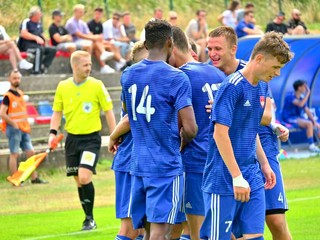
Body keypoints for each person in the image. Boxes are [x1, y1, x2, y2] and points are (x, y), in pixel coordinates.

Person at [201, 31, 293, 239]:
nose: (277, 74)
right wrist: (236, 176)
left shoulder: (261, 86)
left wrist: (264, 164)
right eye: (276, 67)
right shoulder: (231, 87)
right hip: (223, 177)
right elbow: (220, 134)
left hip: (251, 173)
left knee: (254, 236)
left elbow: (252, 130)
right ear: (259, 58)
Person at [115, 19, 198, 239]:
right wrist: (182, 142)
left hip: (138, 164)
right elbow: (190, 128)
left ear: (147, 43)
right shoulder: (176, 77)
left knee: (145, 230)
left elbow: (128, 114)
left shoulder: (128, 75)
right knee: (161, 231)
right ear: (170, 43)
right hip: (165, 166)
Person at [48, 50, 116, 230]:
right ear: (75, 66)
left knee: (85, 176)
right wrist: (52, 134)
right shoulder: (63, 86)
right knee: (78, 181)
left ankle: (90, 218)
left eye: (90, 65)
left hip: (91, 139)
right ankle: (88, 218)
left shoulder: (97, 85)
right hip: (72, 139)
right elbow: (57, 112)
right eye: (86, 65)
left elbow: (109, 111)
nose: (89, 68)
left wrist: (114, 136)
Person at [169, 26, 225, 240]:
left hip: (195, 164)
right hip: (219, 160)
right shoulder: (215, 72)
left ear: (171, 48)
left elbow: (181, 127)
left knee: (198, 234)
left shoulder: (180, 78)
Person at [108, 41, 148, 240]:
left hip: (137, 159)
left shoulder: (138, 80)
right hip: (130, 159)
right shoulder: (136, 80)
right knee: (131, 226)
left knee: (141, 227)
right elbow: (130, 118)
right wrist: (113, 136)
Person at [0, 70, 47, 184]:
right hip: (14, 128)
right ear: (10, 80)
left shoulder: (20, 94)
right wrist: (13, 123)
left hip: (23, 128)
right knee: (14, 153)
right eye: (14, 78)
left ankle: (34, 177)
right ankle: (15, 178)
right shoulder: (8, 96)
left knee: (30, 152)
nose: (17, 80)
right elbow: (2, 113)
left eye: (18, 78)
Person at [65, 4, 115, 74]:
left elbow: (88, 33)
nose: (82, 13)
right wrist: (94, 38)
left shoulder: (82, 23)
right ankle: (96, 61)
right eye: (80, 12)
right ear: (75, 12)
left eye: (82, 12)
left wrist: (95, 37)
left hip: (83, 41)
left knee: (97, 43)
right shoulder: (71, 22)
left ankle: (103, 65)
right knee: (91, 43)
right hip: (75, 41)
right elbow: (80, 35)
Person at [282, 80, 320, 153]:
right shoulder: (289, 96)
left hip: (298, 118)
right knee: (309, 124)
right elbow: (300, 104)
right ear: (299, 88)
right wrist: (308, 93)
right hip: (289, 118)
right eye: (305, 86)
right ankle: (311, 146)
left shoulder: (302, 98)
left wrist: (314, 122)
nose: (306, 88)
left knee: (317, 125)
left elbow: (307, 111)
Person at [17, 6, 56, 74]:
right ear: (34, 15)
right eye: (40, 14)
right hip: (26, 46)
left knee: (52, 50)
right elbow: (23, 33)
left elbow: (42, 34)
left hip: (37, 45)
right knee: (39, 50)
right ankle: (36, 71)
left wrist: (45, 41)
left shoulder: (39, 24)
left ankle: (43, 66)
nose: (41, 15)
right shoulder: (27, 22)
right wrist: (36, 38)